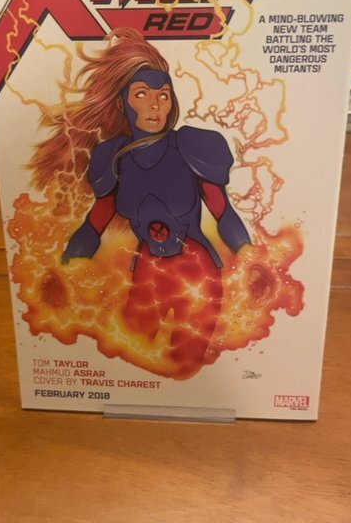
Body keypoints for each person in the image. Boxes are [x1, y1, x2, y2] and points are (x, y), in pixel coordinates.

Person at [31, 27, 251, 376]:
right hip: (146, 270)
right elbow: (95, 222)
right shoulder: (113, 157)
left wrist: (251, 259)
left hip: (197, 273)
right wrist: (65, 268)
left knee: (186, 369)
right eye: (142, 94)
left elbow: (223, 212)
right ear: (123, 103)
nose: (154, 104)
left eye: (163, 95)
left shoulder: (191, 147)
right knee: (130, 358)